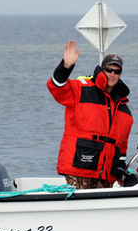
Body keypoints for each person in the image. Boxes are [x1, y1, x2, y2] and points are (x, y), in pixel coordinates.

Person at [47, 40, 133, 189]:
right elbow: (57, 88)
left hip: (106, 174)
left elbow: (121, 145)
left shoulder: (123, 108)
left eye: (117, 71)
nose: (112, 74)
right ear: (102, 69)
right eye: (109, 70)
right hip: (79, 167)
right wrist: (66, 66)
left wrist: (120, 169)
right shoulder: (82, 89)